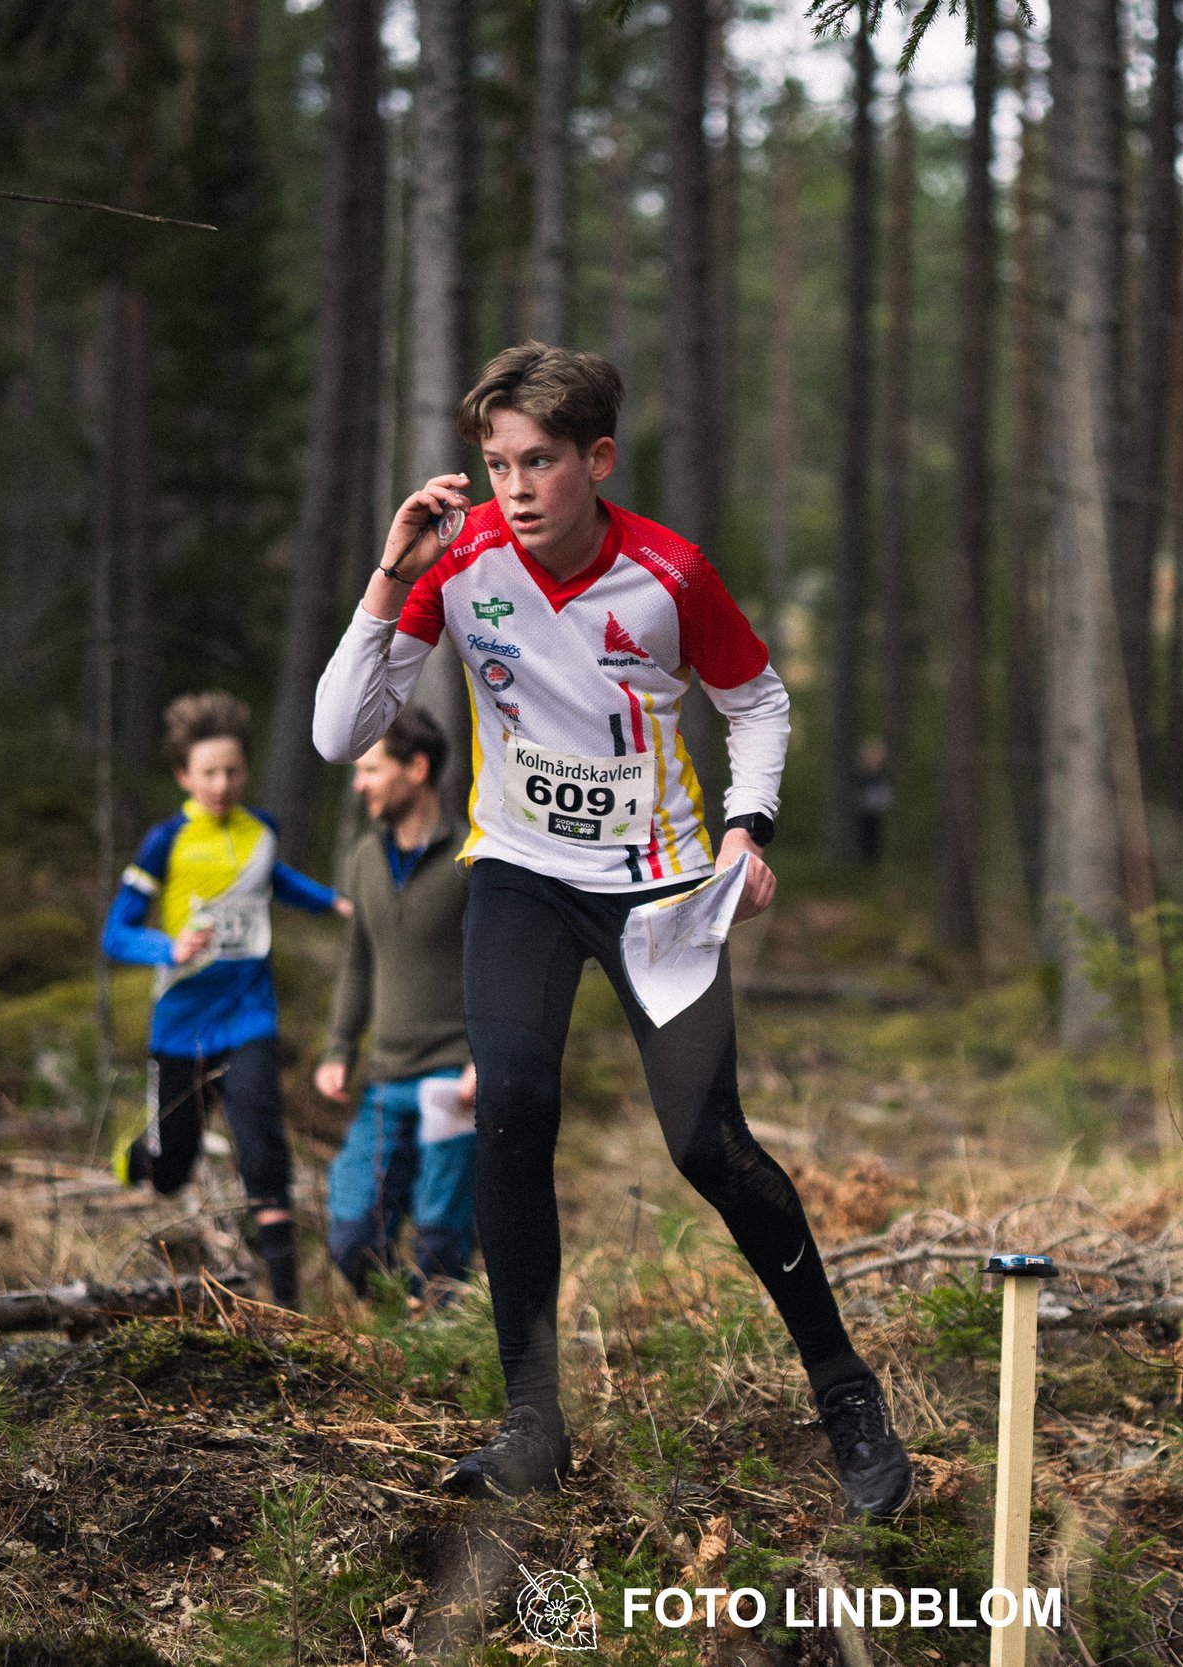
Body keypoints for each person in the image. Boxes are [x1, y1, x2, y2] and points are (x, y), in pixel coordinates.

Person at [312, 342, 913, 1517]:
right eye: (496, 464)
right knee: (510, 1106)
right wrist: (389, 574)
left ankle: (846, 1391)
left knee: (708, 1146)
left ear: (596, 459)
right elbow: (341, 732)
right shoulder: (461, 559)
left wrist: (746, 829)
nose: (515, 488)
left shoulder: (667, 574)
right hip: (520, 876)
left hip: (660, 893)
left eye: (538, 461)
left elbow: (758, 702)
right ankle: (531, 1420)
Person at [103, 691, 351, 1310]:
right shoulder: (165, 842)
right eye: (208, 773)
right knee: (172, 1171)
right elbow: (116, 933)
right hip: (180, 1025)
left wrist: (335, 903)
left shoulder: (261, 830)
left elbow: (276, 881)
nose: (222, 785)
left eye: (233, 771)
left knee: (262, 1145)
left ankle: (288, 1304)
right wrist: (169, 948)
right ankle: (138, 1156)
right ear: (184, 776)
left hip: (248, 1015)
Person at [316, 709, 478, 1295]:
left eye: (371, 769)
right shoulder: (364, 857)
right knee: (352, 1235)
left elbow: (500, 971)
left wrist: (485, 1057)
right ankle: (389, 1325)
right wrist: (339, 1048)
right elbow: (359, 961)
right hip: (385, 1079)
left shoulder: (472, 858)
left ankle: (437, 1336)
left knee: (439, 1247)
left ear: (417, 768)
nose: (359, 784)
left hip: (453, 1081)